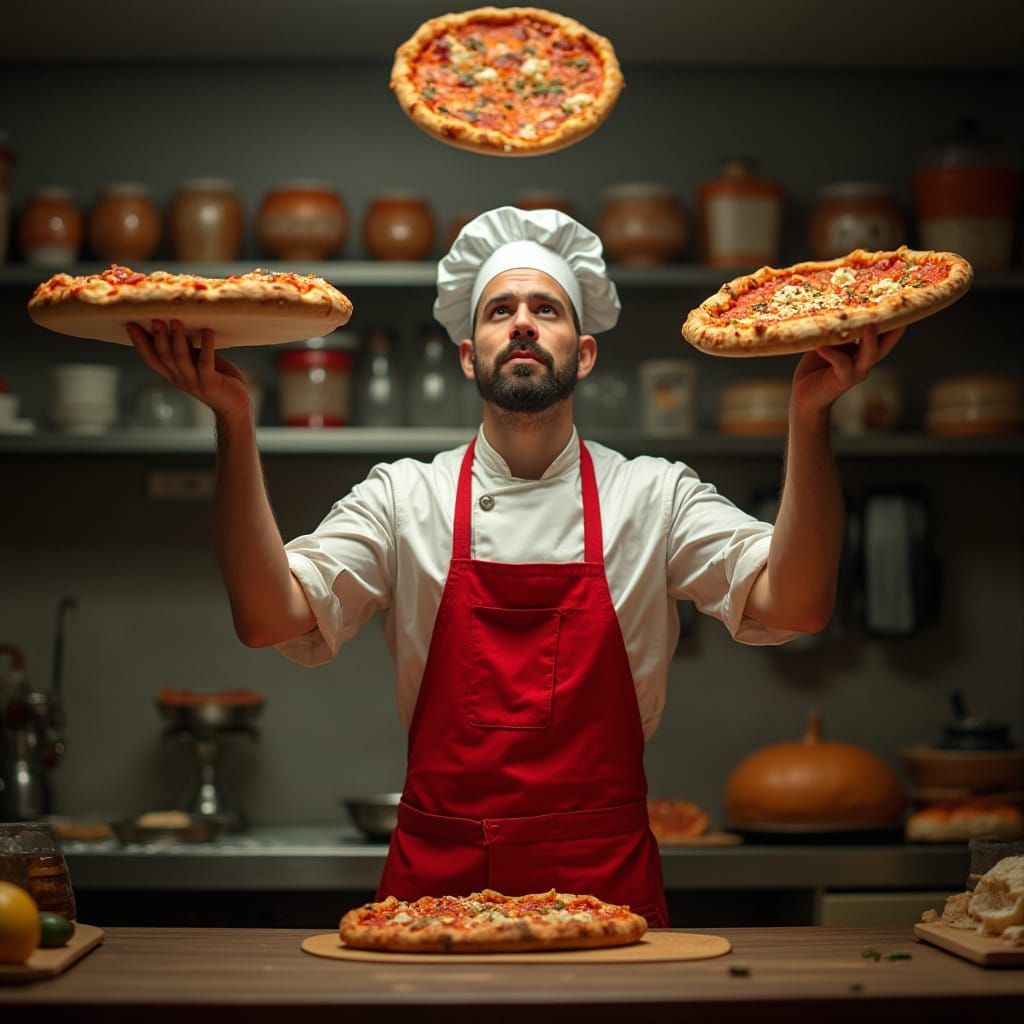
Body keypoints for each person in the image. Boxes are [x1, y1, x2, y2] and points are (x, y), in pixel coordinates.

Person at [127, 206, 904, 927]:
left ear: (584, 351)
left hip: (607, 879)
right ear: (470, 356)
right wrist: (234, 423)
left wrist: (809, 417)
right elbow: (269, 618)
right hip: (438, 882)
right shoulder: (406, 496)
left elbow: (798, 604)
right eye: (500, 311)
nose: (523, 324)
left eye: (547, 309)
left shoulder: (652, 494)